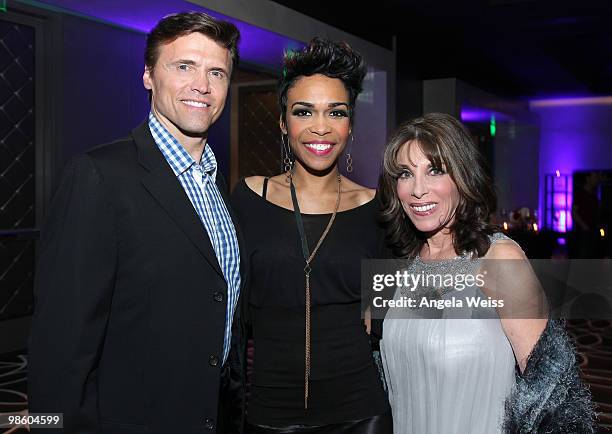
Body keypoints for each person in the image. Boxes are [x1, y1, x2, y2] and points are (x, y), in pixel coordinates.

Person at [28, 12, 245, 434]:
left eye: (216, 72)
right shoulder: (98, 175)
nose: (202, 85)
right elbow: (60, 349)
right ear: (148, 76)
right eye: (184, 66)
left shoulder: (219, 190)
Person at [377, 113, 595, 433]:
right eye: (406, 174)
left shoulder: (498, 258)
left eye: (435, 170)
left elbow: (554, 392)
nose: (417, 190)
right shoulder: (403, 261)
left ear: (463, 178)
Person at [230, 38, 392, 433]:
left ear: (350, 124)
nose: (321, 127)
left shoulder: (377, 208)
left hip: (360, 412)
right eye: (304, 112)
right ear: (284, 122)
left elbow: (394, 311)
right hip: (270, 412)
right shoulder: (249, 197)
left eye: (335, 112)